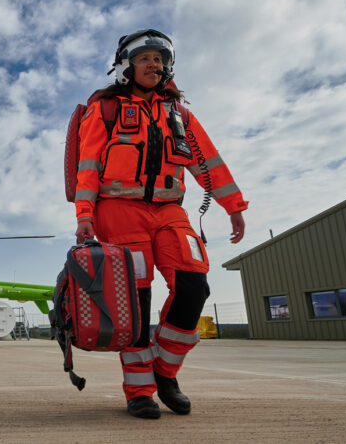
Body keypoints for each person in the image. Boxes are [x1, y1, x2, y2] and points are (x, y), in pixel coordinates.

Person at [73, 29, 247, 419]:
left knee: (193, 285)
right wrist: (84, 214)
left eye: (160, 59)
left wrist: (233, 205)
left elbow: (210, 162)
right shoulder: (105, 109)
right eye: (145, 58)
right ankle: (138, 391)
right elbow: (88, 167)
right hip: (118, 211)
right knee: (136, 302)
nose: (154, 64)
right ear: (126, 66)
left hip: (169, 212)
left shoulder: (180, 114)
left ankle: (165, 372)